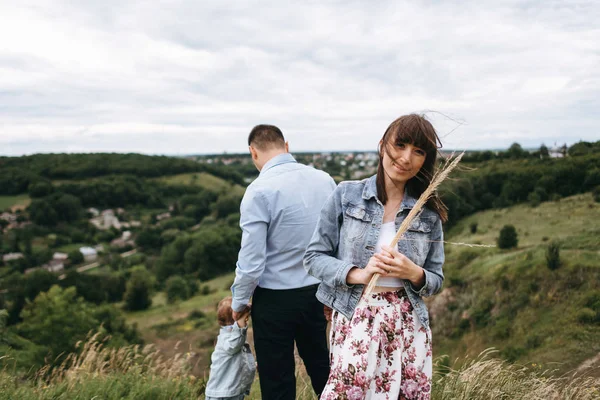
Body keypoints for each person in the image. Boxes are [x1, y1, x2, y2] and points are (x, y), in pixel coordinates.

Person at [304, 114, 446, 399]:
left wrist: (413, 272)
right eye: (401, 144)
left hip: (407, 323)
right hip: (358, 315)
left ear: (425, 161)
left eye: (418, 151)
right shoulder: (346, 196)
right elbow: (314, 257)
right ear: (383, 145)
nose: (406, 158)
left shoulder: (428, 214)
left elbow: (436, 279)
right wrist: (359, 273)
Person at [231, 124, 336, 399]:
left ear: (253, 152)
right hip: (318, 292)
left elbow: (252, 261)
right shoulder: (324, 180)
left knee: (277, 382)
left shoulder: (257, 191)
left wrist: (239, 301)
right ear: (286, 146)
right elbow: (338, 240)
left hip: (274, 300)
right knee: (325, 371)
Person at [205, 296, 255, 400]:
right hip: (221, 395)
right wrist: (242, 318)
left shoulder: (232, 336)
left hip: (231, 393)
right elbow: (235, 344)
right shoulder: (227, 338)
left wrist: (254, 366)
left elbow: (239, 361)